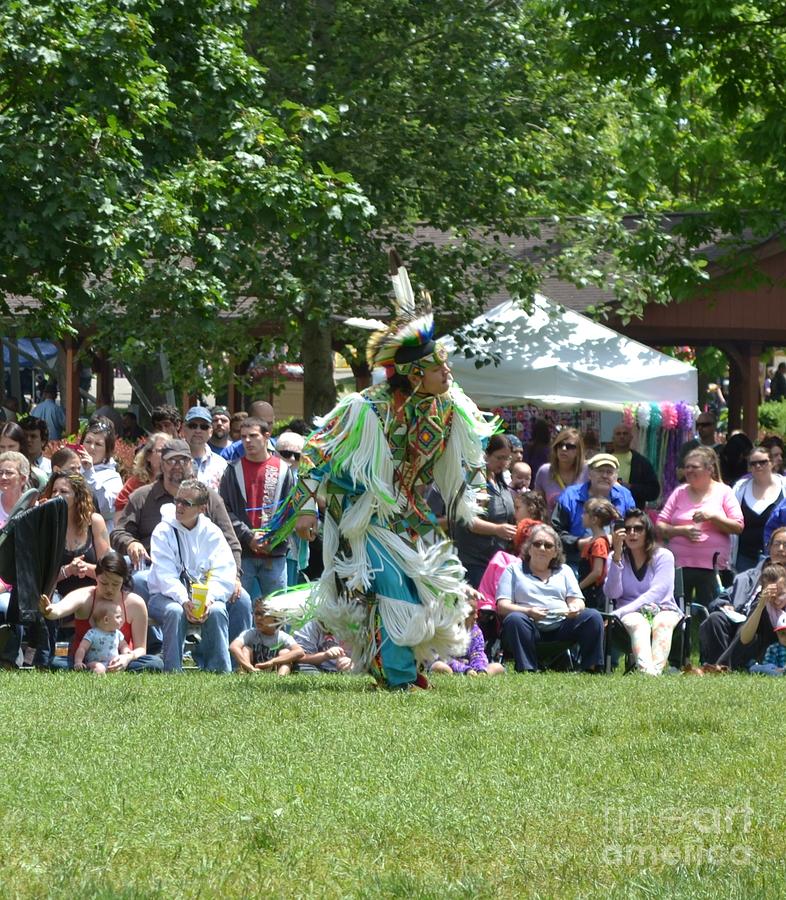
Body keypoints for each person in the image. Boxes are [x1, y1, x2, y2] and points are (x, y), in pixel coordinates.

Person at [270, 252, 496, 689]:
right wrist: (306, 509)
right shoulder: (365, 409)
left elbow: (472, 458)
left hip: (408, 518)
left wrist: (471, 489)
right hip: (363, 517)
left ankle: (391, 669)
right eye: (438, 366)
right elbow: (315, 452)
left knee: (417, 595)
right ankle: (397, 677)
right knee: (394, 591)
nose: (448, 372)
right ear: (413, 374)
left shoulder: (449, 410)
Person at [147, 479, 238, 673]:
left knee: (218, 610)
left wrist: (209, 600)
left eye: (186, 503)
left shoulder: (212, 533)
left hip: (203, 598)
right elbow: (165, 576)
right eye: (177, 500)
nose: (179, 506)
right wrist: (183, 600)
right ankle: (173, 671)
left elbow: (224, 571)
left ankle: (220, 671)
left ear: (202, 509)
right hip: (164, 597)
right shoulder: (163, 531)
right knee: (174, 611)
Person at [496, 524, 604, 672]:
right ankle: (527, 669)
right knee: (515, 619)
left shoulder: (565, 571)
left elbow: (577, 600)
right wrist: (528, 611)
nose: (542, 548)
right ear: (529, 548)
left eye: (548, 545)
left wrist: (574, 608)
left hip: (561, 626)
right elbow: (502, 606)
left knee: (592, 616)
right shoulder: (513, 570)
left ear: (555, 552)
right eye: (537, 544)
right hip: (529, 626)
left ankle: (591, 669)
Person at [38, 551, 163, 672]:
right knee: (55, 663)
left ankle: (114, 669)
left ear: (123, 581)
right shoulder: (85, 595)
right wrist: (49, 609)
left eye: (115, 584)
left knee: (155, 663)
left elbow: (141, 649)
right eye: (104, 583)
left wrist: (127, 658)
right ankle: (91, 669)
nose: (109, 589)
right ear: (96, 577)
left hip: (123, 661)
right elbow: (59, 609)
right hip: (85, 661)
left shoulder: (135, 603)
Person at [657, 446, 744, 607]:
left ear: (709, 469)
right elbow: (660, 525)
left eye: (694, 467)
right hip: (680, 564)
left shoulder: (724, 492)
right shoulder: (680, 492)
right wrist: (681, 531)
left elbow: (738, 526)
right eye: (687, 467)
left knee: (710, 610)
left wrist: (712, 517)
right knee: (677, 611)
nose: (688, 470)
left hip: (712, 567)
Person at [219, 417, 294, 600]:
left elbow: (291, 509)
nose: (247, 441)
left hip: (274, 553)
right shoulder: (232, 470)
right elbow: (223, 510)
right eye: (243, 437)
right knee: (239, 609)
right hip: (242, 554)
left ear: (266, 436)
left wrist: (272, 538)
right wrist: (248, 535)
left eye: (253, 436)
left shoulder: (283, 469)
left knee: (276, 613)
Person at [605, 510, 682, 675]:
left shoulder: (663, 556)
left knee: (663, 623)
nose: (632, 533)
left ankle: (652, 673)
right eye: (627, 529)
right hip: (630, 613)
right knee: (638, 623)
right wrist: (617, 557)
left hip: (663, 608)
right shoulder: (614, 557)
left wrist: (618, 613)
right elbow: (612, 593)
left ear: (648, 532)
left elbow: (658, 592)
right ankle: (648, 674)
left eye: (638, 528)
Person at [699, 528, 786, 668]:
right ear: (769, 547)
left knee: (757, 610)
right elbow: (722, 597)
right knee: (715, 619)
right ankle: (715, 665)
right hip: (738, 617)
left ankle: (720, 666)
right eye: (777, 544)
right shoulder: (748, 576)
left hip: (765, 628)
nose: (781, 549)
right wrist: (725, 603)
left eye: (785, 545)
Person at [551, 453, 635, 572]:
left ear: (616, 476)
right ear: (590, 474)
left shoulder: (625, 496)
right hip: (575, 562)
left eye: (610, 472)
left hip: (614, 561)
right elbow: (554, 532)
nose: (605, 475)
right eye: (600, 471)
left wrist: (616, 539)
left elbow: (636, 528)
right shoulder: (570, 496)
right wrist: (579, 543)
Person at [453, 434, 517, 588]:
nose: (503, 463)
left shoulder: (501, 482)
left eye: (507, 459)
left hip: (498, 561)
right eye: (499, 458)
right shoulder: (475, 482)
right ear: (485, 455)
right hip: (475, 562)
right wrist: (497, 529)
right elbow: (468, 521)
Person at [731, 446, 786, 572]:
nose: (758, 466)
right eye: (753, 463)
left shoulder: (784, 486)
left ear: (771, 463)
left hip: (780, 556)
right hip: (745, 557)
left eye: (763, 462)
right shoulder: (739, 489)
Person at [429, 595, 504, 676]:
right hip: (448, 664)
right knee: (439, 666)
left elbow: (478, 653)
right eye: (471, 613)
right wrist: (465, 670)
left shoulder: (475, 631)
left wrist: (480, 669)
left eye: (477, 612)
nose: (476, 616)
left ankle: (481, 674)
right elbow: (444, 658)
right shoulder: (443, 631)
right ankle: (454, 673)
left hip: (470, 666)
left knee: (498, 667)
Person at [230, 598, 304, 675]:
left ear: (276, 617)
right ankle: (243, 675)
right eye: (256, 614)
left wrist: (272, 662)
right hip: (252, 670)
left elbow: (300, 652)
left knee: (285, 652)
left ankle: (280, 678)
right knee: (245, 649)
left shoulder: (283, 636)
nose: (258, 618)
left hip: (274, 669)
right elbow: (233, 647)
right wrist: (250, 667)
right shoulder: (250, 633)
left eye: (263, 614)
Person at [77, 419, 123, 533]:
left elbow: (105, 508)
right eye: (88, 441)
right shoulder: (73, 468)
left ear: (107, 451)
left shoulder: (113, 477)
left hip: (97, 540)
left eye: (98, 444)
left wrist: (89, 473)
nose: (91, 447)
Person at [534, 428, 588, 516]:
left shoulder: (588, 470)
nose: (563, 449)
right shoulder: (544, 472)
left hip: (581, 527)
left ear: (578, 451)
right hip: (553, 527)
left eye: (569, 446)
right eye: (560, 445)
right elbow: (538, 506)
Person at [578, 497, 617, 609]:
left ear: (594, 519)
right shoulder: (592, 540)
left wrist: (578, 587)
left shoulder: (599, 543)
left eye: (585, 513)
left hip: (593, 595)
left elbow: (597, 572)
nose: (582, 516)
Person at [609, 421, 660, 508]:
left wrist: (631, 487)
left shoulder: (642, 463)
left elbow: (654, 492)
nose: (622, 436)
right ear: (613, 438)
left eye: (625, 434)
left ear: (631, 437)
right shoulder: (604, 460)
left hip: (633, 513)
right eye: (618, 434)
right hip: (608, 511)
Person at [115, 432, 169, 513]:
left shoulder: (177, 482)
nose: (166, 455)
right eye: (161, 451)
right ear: (148, 456)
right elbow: (120, 512)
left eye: (169, 451)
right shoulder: (135, 483)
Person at [182, 406, 227, 492]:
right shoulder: (173, 461)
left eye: (204, 427)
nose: (198, 431)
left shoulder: (221, 464)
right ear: (184, 429)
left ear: (211, 431)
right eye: (192, 426)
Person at [74, 604, 129, 675]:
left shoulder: (117, 633)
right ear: (106, 620)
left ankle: (110, 673)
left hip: (111, 662)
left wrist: (126, 652)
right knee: (99, 668)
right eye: (118, 617)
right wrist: (78, 661)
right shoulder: (92, 633)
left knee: (117, 665)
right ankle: (98, 675)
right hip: (94, 663)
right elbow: (82, 648)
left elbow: (123, 645)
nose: (121, 620)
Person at [0, 421, 47, 489]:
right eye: (2, 447)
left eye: (11, 446)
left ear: (21, 446)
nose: (6, 451)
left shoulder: (38, 476)